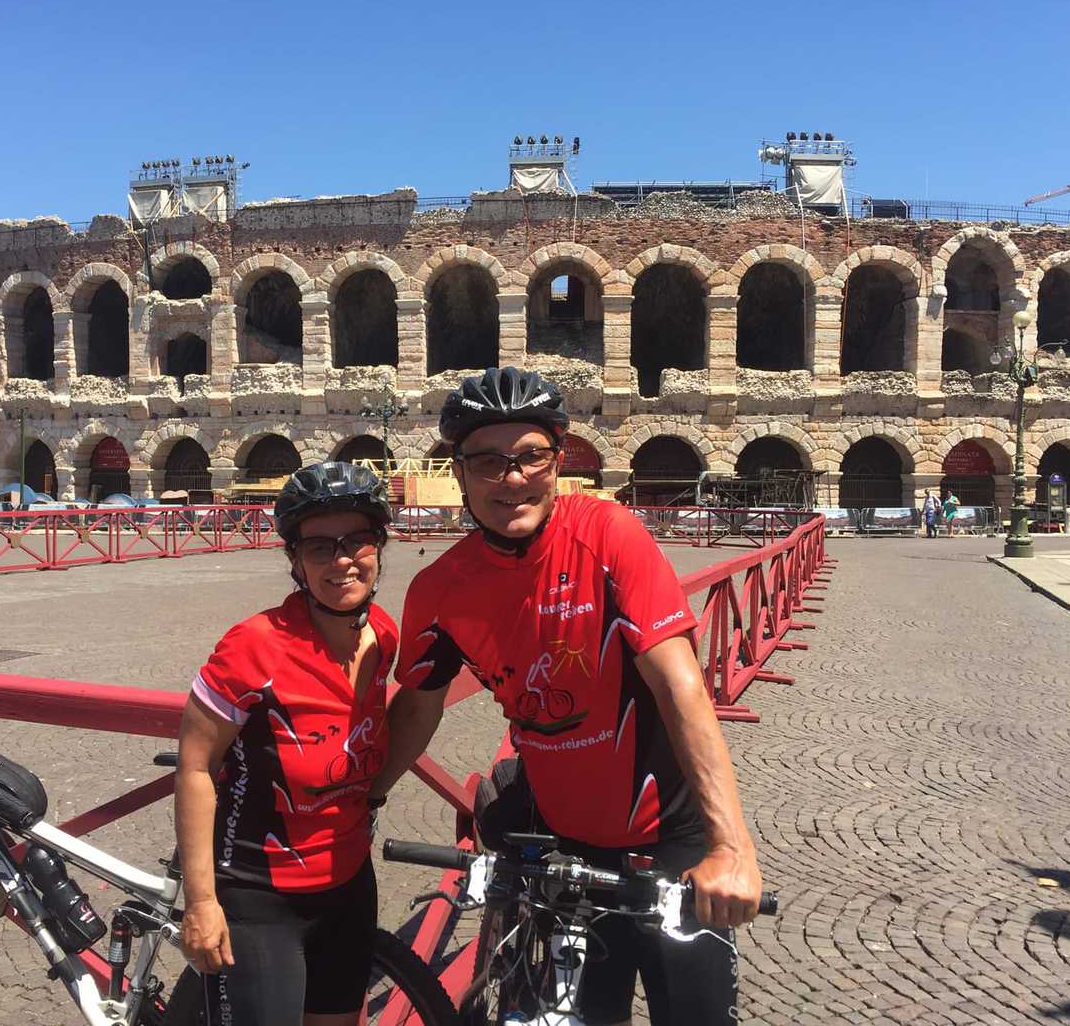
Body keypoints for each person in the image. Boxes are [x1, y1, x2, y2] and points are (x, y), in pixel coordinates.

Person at [373, 367, 763, 1026]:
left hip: (671, 841)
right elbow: (416, 706)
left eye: (531, 456)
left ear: (558, 459)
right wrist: (364, 801)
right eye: (489, 462)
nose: (513, 477)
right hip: (567, 849)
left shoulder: (609, 535)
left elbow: (680, 684)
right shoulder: (440, 590)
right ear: (459, 473)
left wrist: (731, 848)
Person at [174, 461, 396, 1024]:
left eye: (357, 541)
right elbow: (196, 767)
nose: (342, 560)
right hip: (258, 893)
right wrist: (201, 904)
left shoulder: (386, 637)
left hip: (349, 882)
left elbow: (414, 709)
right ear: (295, 561)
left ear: (378, 546)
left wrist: (375, 794)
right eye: (319, 547)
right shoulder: (253, 647)